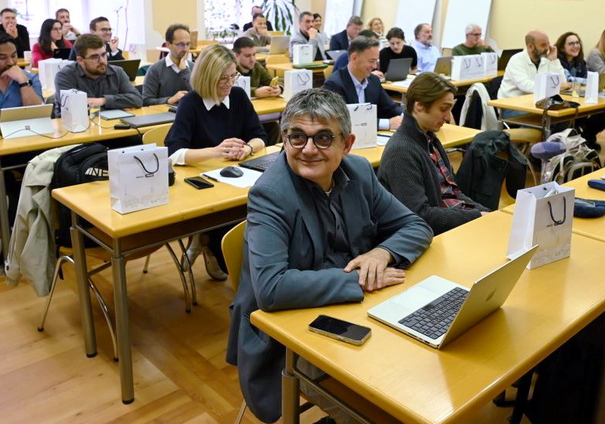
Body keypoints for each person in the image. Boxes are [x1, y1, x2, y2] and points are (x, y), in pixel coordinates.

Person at [225, 88, 432, 423]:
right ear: (284, 139)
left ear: (346, 144)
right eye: (297, 137)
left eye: (323, 138)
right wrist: (358, 280)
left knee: (416, 372)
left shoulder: (359, 171)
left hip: (356, 310)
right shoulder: (269, 194)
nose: (308, 149)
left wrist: (382, 252)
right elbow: (271, 289)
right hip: (292, 333)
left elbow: (416, 225)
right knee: (381, 410)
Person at [165, 44, 266, 281]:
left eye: (233, 76)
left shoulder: (238, 96)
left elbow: (260, 136)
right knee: (228, 217)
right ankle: (210, 243)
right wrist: (215, 152)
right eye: (223, 78)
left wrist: (247, 148)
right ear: (207, 77)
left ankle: (206, 241)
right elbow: (173, 152)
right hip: (200, 184)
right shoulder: (191, 103)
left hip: (235, 177)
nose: (230, 83)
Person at [379, 73, 488, 234]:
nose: (448, 117)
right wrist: (476, 216)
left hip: (445, 222)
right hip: (426, 235)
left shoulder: (429, 139)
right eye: (443, 109)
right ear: (419, 106)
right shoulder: (401, 151)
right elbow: (419, 215)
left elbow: (453, 192)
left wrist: (486, 213)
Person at [323, 36, 403, 130]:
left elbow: (390, 107)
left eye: (376, 61)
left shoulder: (373, 80)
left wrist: (405, 116)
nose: (375, 66)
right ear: (354, 58)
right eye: (371, 61)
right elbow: (344, 121)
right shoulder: (334, 84)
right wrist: (387, 124)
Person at [55, 34, 141, 112]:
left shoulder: (117, 72)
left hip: (111, 122)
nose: (102, 61)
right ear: (80, 60)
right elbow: (73, 108)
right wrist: (119, 104)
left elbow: (137, 99)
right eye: (95, 57)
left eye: (104, 55)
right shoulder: (65, 76)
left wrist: (103, 101)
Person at [555, 31, 605, 150]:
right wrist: (591, 80)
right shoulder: (557, 61)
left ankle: (587, 136)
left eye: (577, 43)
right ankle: (580, 139)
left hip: (575, 96)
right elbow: (568, 80)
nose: (576, 46)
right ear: (562, 48)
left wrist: (592, 80)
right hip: (562, 99)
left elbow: (583, 78)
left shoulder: (579, 61)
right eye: (571, 44)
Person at [497, 30, 568, 99]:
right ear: (530, 46)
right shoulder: (517, 60)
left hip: (536, 101)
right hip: (511, 102)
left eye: (548, 44)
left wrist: (554, 61)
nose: (547, 48)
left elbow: (562, 83)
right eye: (543, 45)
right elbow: (525, 85)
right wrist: (554, 87)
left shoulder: (545, 59)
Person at [141, 24, 193, 106]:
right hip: (164, 113)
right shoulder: (155, 69)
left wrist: (185, 71)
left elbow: (201, 96)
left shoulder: (195, 68)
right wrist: (169, 100)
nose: (185, 49)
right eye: (180, 44)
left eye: (188, 44)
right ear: (168, 45)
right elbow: (146, 100)